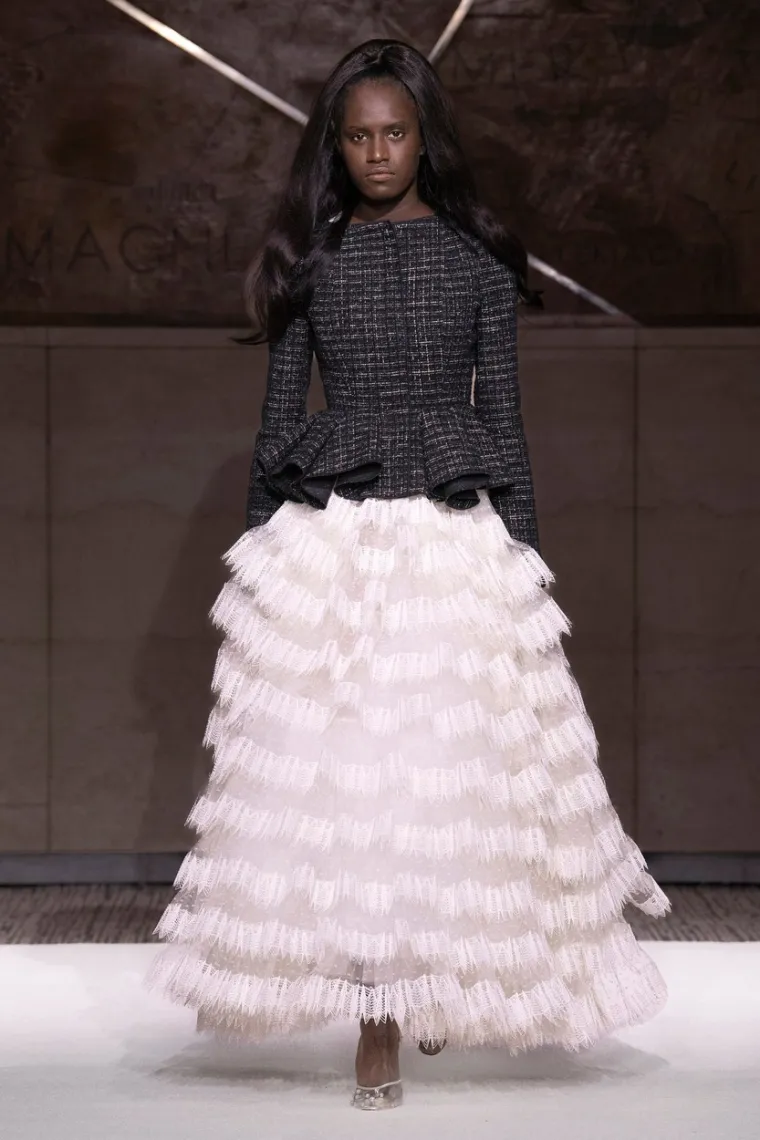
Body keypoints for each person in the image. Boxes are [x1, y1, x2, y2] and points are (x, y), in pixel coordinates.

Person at [145, 38, 671, 1111]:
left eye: (395, 133)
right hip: (333, 544)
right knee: (351, 781)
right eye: (359, 137)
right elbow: (278, 422)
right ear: (335, 148)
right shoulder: (310, 263)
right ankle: (377, 1018)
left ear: (424, 140)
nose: (378, 153)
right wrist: (255, 573)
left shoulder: (477, 265)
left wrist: (524, 554)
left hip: (447, 540)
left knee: (452, 774)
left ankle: (433, 976)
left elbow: (503, 424)